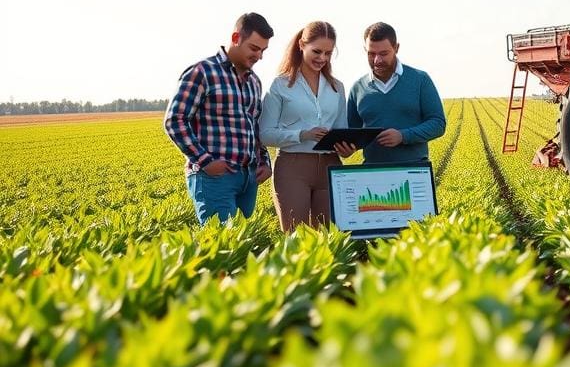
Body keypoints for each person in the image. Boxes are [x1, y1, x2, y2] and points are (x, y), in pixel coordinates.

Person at [164, 12, 274, 224]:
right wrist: (206, 162)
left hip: (248, 179)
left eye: (263, 50)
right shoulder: (202, 72)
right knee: (224, 244)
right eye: (254, 48)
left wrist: (264, 162)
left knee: (242, 247)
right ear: (235, 39)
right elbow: (175, 120)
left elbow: (255, 128)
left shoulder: (254, 82)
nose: (259, 56)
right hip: (214, 178)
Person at [259, 21, 347, 231]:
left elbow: (342, 128)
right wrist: (302, 134)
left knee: (330, 234)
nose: (322, 58)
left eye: (328, 53)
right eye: (316, 51)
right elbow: (264, 134)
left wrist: (346, 146)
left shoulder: (337, 87)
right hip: (293, 167)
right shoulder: (280, 85)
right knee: (296, 235)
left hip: (330, 166)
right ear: (301, 45)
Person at [335, 21, 446, 164]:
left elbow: (438, 124)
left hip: (414, 171)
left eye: (383, 53)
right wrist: (348, 148)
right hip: (372, 172)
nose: (377, 60)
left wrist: (403, 136)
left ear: (396, 48)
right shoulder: (358, 88)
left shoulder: (420, 80)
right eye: (371, 54)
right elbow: (352, 134)